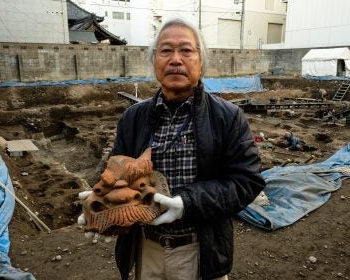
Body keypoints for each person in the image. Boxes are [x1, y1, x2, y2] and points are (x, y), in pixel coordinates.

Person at [98, 18, 264, 280]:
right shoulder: (133, 118)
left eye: (186, 50)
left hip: (201, 251)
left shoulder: (228, 118)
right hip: (146, 248)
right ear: (154, 61)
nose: (176, 59)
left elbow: (246, 182)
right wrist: (102, 204)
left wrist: (187, 202)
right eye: (165, 50)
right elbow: (115, 175)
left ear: (201, 61)